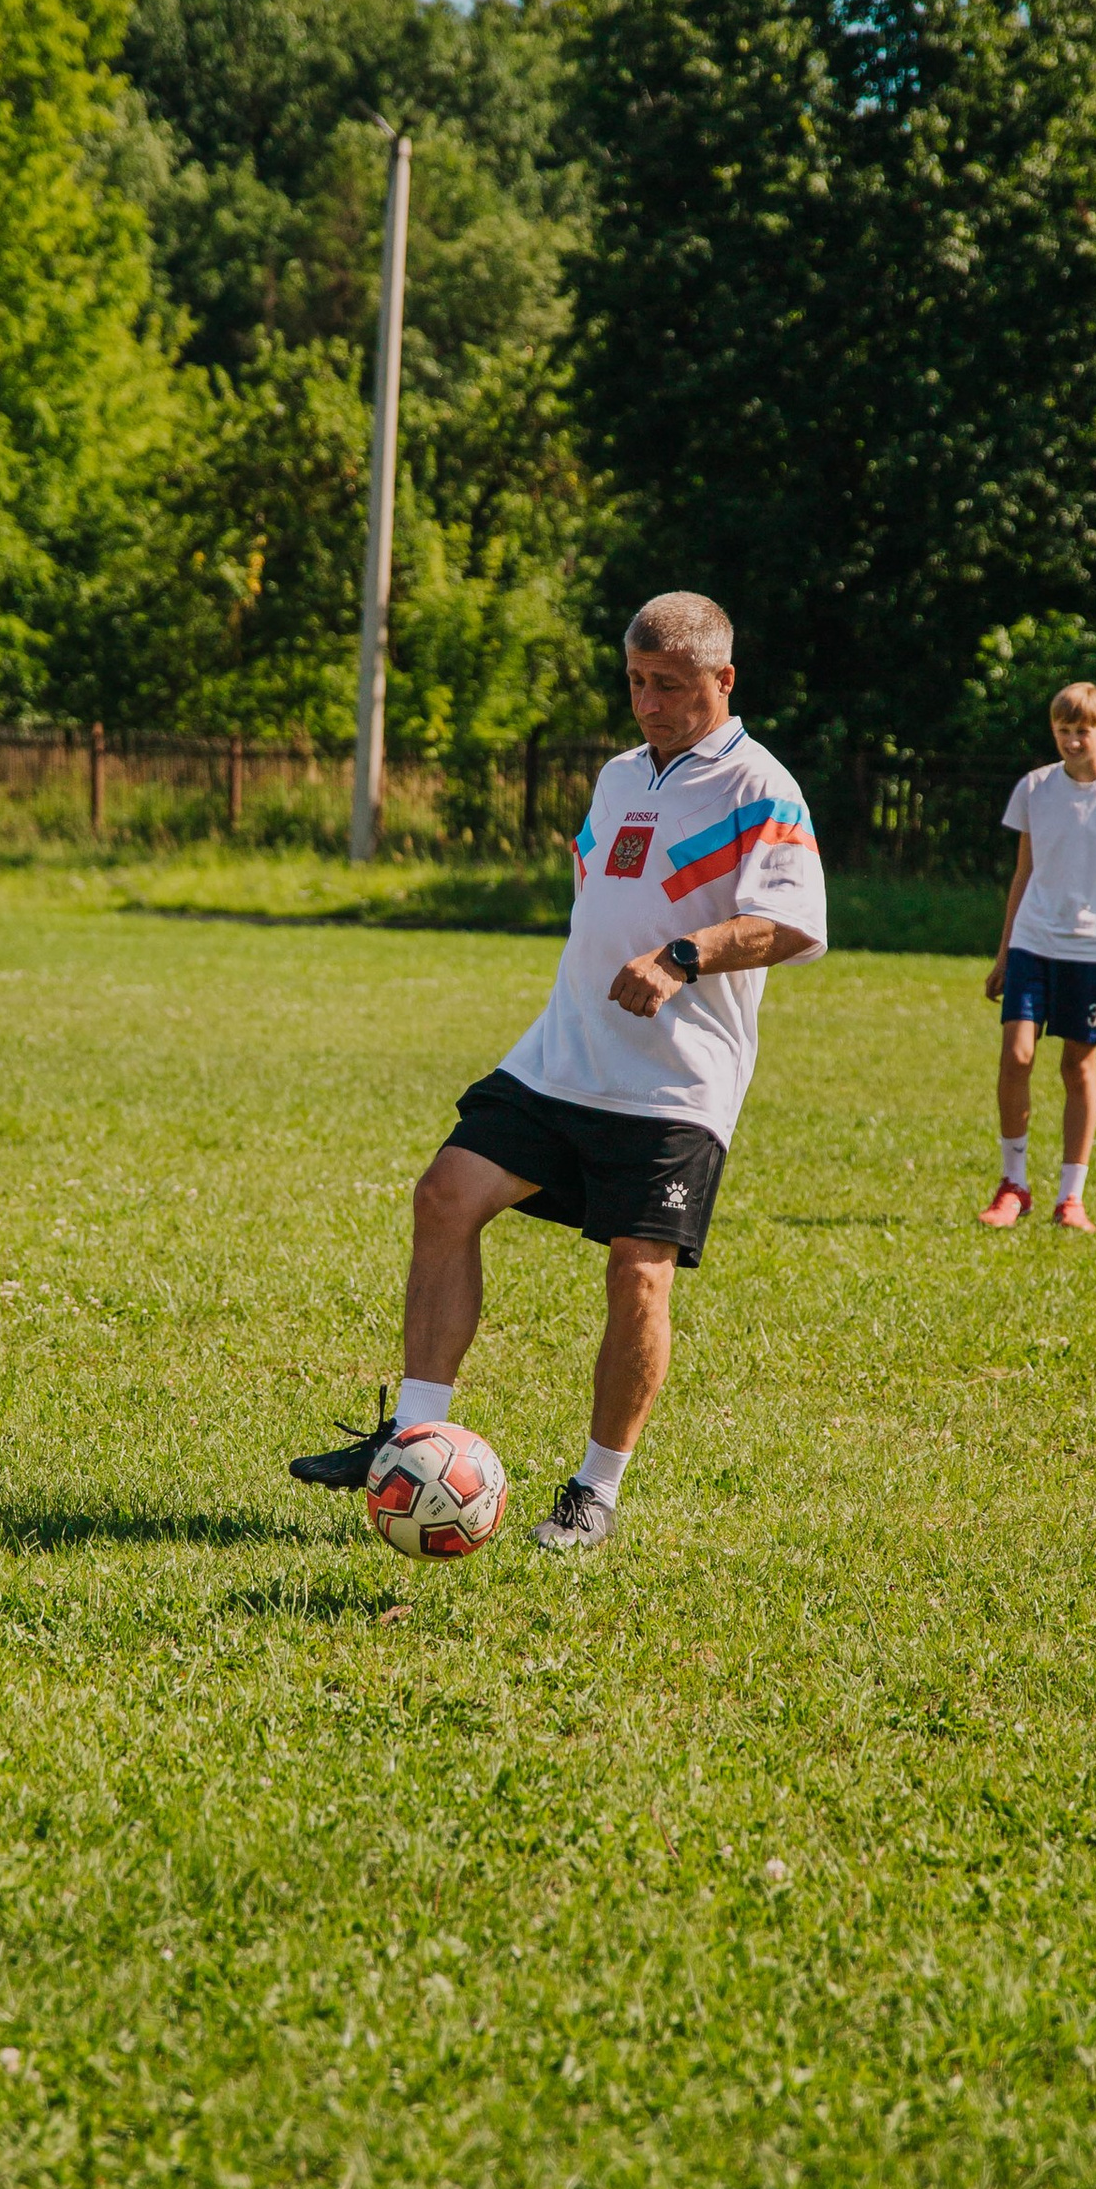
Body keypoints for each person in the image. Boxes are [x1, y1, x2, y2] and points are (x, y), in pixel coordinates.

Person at [289, 594, 826, 1550]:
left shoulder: (760, 786)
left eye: (669, 685)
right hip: (561, 1058)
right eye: (636, 682)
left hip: (676, 1083)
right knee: (445, 1196)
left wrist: (683, 956)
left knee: (638, 1274)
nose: (648, 703)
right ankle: (410, 1440)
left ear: (723, 680)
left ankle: (594, 1491)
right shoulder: (620, 775)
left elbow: (791, 922)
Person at [978, 680, 1096, 1234]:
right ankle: (1013, 1185)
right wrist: (1004, 954)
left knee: (1078, 1067)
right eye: (1063, 730)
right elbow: (1022, 874)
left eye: (1083, 730)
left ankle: (1070, 1198)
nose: (1073, 741)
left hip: (1093, 954)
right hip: (1032, 944)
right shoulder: (1034, 789)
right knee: (1017, 1056)